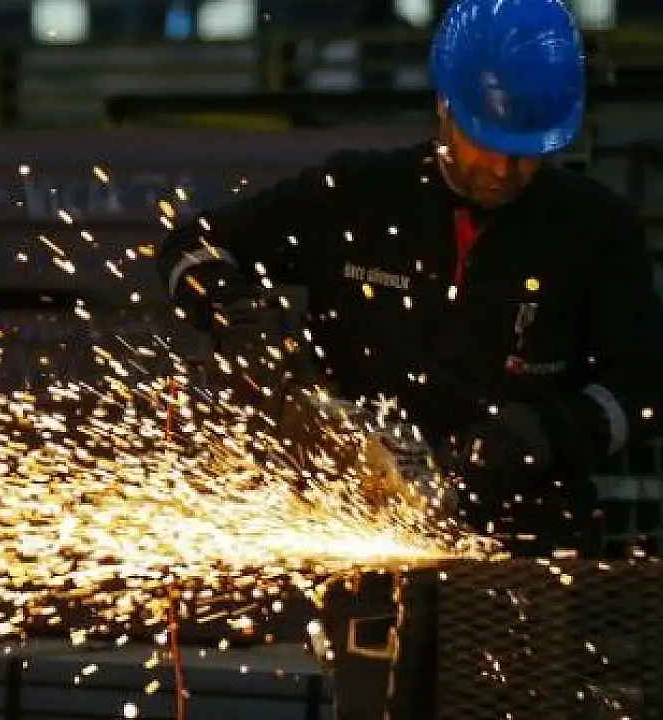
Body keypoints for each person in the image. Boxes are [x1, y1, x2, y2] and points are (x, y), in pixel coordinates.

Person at [157, 0, 663, 558]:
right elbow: (191, 247)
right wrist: (251, 335)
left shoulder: (593, 227)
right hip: (351, 528)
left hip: (532, 542)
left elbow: (643, 388)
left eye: (527, 152)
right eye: (489, 142)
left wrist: (546, 431)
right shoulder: (355, 197)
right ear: (446, 104)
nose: (504, 170)